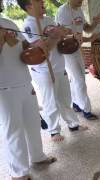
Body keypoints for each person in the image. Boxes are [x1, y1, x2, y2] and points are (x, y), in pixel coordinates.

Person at [0, 0, 57, 179]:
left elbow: (24, 47)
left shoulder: (8, 22)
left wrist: (39, 46)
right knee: (13, 130)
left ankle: (38, 157)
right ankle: (19, 172)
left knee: (33, 123)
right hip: (4, 88)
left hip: (25, 82)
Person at [18, 0, 88, 142]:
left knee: (65, 98)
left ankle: (73, 124)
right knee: (50, 101)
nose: (42, 2)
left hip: (59, 65)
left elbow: (60, 36)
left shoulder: (49, 19)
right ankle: (54, 131)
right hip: (44, 70)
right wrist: (55, 36)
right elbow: (41, 50)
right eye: (38, 1)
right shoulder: (29, 25)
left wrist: (66, 33)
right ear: (29, 6)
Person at [55, 0, 100, 120]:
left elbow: (87, 29)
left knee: (77, 79)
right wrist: (88, 40)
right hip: (67, 51)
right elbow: (63, 35)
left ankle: (75, 103)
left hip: (76, 49)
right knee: (79, 80)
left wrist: (95, 23)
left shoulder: (79, 9)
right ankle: (86, 110)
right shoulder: (63, 11)